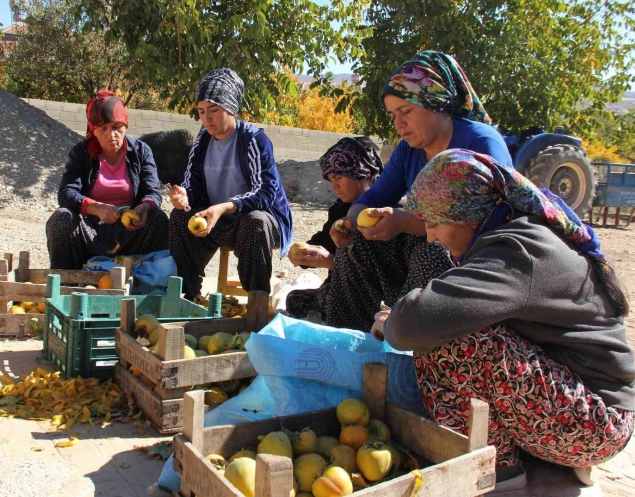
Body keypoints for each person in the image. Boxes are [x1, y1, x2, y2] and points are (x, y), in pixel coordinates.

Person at [372, 149, 635, 491]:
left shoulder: (518, 250)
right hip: (579, 408)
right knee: (452, 323)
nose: (431, 236)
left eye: (435, 223)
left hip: (596, 426)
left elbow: (416, 323)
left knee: (450, 337)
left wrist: (392, 319)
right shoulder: (513, 235)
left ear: (468, 215)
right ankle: (519, 451)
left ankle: (496, 466)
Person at [325, 50, 512, 331]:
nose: (399, 124)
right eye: (393, 115)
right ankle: (352, 338)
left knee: (433, 253)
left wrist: (408, 224)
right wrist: (349, 223)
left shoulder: (481, 144)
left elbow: (480, 225)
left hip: (478, 261)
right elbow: (375, 197)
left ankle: (409, 341)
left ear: (436, 104)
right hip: (426, 243)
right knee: (358, 246)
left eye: (406, 112)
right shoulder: (409, 150)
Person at [167, 68, 293, 299]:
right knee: (178, 218)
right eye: (202, 111)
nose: (207, 118)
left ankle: (256, 300)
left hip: (259, 222)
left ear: (231, 109)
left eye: (214, 110)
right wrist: (185, 198)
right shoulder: (202, 141)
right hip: (219, 222)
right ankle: (187, 294)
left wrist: (225, 206)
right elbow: (193, 188)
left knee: (255, 222)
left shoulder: (254, 140)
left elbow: (265, 194)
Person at [46, 90, 168, 269]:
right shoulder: (82, 153)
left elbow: (153, 191)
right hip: (91, 229)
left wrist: (144, 207)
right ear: (93, 131)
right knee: (61, 218)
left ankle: (145, 281)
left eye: (117, 127)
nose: (111, 134)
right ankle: (67, 282)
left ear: (125, 126)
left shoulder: (141, 152)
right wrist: (96, 208)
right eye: (103, 129)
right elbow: (66, 193)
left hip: (129, 230)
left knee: (158, 218)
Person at [286, 137, 383, 321]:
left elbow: (378, 276)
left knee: (331, 299)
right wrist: (304, 255)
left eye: (338, 177)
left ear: (359, 172)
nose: (334, 186)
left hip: (372, 297)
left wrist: (331, 262)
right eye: (331, 179)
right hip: (339, 288)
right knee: (294, 300)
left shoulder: (384, 212)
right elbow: (323, 242)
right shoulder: (341, 208)